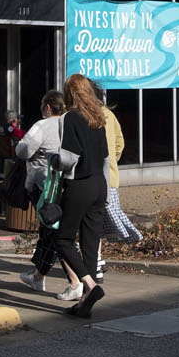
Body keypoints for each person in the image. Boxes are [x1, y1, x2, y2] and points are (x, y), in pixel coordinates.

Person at [52, 72, 110, 318]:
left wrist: (52, 159)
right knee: (90, 244)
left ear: (70, 94)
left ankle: (91, 286)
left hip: (80, 185)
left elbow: (69, 159)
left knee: (63, 239)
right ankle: (84, 304)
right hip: (100, 184)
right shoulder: (98, 118)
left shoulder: (70, 118)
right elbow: (106, 158)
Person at [15, 90, 64, 292]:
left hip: (43, 184)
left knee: (50, 231)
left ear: (48, 107)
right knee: (49, 229)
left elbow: (23, 150)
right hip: (64, 184)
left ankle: (69, 277)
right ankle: (38, 273)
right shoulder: (68, 125)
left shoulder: (42, 126)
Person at [95, 80, 142, 278]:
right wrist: (113, 161)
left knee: (91, 221)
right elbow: (120, 143)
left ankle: (95, 261)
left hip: (92, 178)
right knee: (99, 221)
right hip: (110, 178)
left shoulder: (85, 117)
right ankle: (97, 258)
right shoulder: (110, 115)